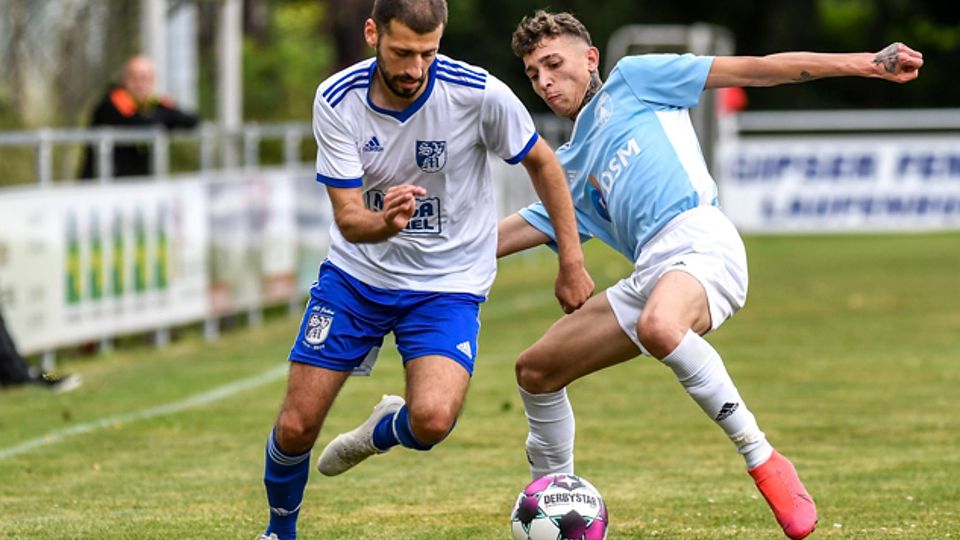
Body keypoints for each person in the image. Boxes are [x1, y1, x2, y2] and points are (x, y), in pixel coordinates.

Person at [497, 10, 922, 540]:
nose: (544, 81)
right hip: (652, 269)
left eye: (553, 64)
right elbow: (509, 234)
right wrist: (408, 249)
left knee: (659, 325)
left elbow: (759, 69)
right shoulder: (568, 165)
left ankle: (762, 457)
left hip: (701, 240)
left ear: (590, 58)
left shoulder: (635, 80)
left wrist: (867, 64)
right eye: (534, 74)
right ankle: (553, 504)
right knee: (536, 370)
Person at [256, 2, 593, 539]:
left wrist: (571, 260)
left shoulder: (477, 93)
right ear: (373, 34)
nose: (415, 68)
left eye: (428, 52)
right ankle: (279, 531)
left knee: (432, 420)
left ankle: (380, 430)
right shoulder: (337, 99)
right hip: (356, 277)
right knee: (297, 425)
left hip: (447, 286)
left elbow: (544, 164)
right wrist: (384, 223)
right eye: (401, 52)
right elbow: (348, 219)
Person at [79, 55, 198, 179]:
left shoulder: (154, 104)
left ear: (153, 81)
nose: (140, 84)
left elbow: (191, 120)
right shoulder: (113, 101)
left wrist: (162, 115)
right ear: (124, 79)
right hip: (105, 183)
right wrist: (164, 117)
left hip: (139, 183)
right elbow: (140, 123)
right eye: (134, 78)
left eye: (145, 78)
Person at [0, 307, 81, 392]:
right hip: (19, 369)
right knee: (29, 371)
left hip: (21, 367)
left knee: (33, 371)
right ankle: (22, 373)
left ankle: (44, 376)